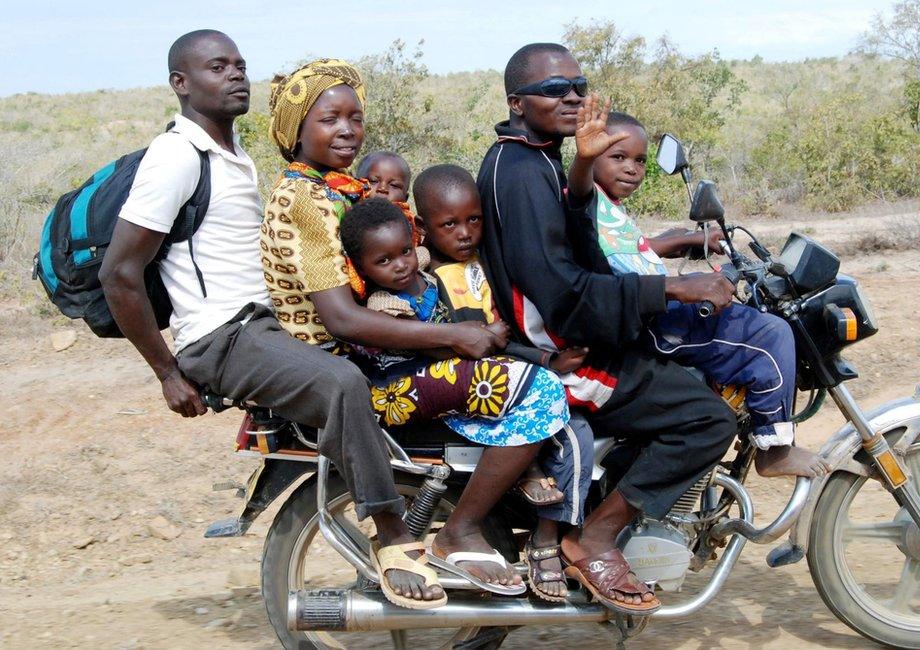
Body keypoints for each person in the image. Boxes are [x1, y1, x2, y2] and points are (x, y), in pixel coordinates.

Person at [99, 32, 445, 611]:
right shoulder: (178, 156)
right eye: (216, 67)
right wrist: (165, 371)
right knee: (343, 385)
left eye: (240, 64)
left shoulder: (232, 158)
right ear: (180, 84)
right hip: (222, 336)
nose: (235, 75)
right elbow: (120, 273)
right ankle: (391, 536)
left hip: (259, 328)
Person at [261, 59, 544, 594]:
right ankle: (462, 530)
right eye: (329, 119)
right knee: (536, 389)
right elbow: (343, 317)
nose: (346, 130)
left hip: (371, 353)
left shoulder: (334, 189)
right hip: (359, 365)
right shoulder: (305, 199)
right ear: (296, 129)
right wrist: (453, 336)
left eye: (354, 117)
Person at [477, 42, 738, 614]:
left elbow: (579, 246)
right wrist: (669, 287)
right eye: (553, 89)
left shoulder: (537, 158)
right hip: (563, 353)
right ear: (517, 102)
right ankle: (592, 538)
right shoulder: (519, 171)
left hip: (576, 334)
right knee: (708, 419)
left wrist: (578, 169)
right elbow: (561, 291)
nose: (570, 96)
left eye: (578, 85)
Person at [567, 101, 830, 477]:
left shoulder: (609, 206)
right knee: (771, 334)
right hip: (651, 320)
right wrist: (685, 282)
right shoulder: (585, 199)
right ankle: (775, 448)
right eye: (618, 157)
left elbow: (621, 250)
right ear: (591, 156)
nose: (631, 168)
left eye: (640, 161)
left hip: (648, 309)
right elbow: (593, 224)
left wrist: (682, 240)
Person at [412, 163, 593, 601]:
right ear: (422, 227)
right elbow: (449, 345)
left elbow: (501, 336)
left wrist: (546, 357)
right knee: (572, 431)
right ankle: (548, 539)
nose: (464, 233)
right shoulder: (425, 282)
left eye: (473, 220)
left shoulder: (479, 268)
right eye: (449, 224)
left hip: (496, 376)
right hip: (463, 391)